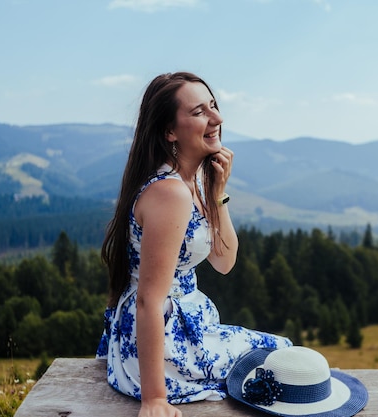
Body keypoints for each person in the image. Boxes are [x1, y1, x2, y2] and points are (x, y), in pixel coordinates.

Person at [96, 72, 292, 417]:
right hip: (166, 339)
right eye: (199, 112)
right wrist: (155, 399)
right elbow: (148, 299)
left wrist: (218, 195)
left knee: (279, 360)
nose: (217, 118)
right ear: (170, 131)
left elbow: (224, 261)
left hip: (185, 326)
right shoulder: (170, 192)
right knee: (282, 359)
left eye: (214, 106)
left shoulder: (192, 182)